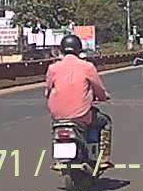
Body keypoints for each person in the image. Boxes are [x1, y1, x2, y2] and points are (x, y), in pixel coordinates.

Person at [45, 34, 112, 165]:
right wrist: (103, 97)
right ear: (79, 49)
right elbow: (99, 89)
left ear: (61, 49)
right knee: (105, 122)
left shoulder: (53, 68)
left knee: (56, 128)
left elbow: (47, 91)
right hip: (82, 115)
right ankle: (103, 157)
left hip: (58, 116)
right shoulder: (87, 67)